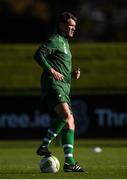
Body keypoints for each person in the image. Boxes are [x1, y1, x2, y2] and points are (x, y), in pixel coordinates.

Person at [34, 12, 85, 172]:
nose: (73, 29)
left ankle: (69, 162)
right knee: (65, 115)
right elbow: (38, 55)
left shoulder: (64, 43)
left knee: (70, 122)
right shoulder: (55, 39)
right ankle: (43, 145)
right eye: (70, 26)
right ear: (62, 25)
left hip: (63, 86)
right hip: (53, 85)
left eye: (74, 27)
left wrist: (71, 74)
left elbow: (61, 68)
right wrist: (50, 70)